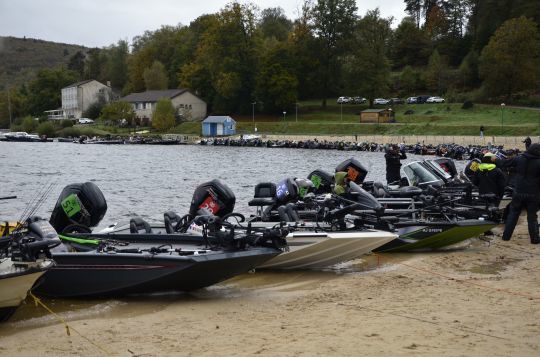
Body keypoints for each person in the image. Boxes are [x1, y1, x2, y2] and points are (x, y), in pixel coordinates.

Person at [493, 143, 540, 244]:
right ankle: (535, 239)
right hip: (533, 194)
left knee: (513, 215)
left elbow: (504, 163)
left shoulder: (519, 158)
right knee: (532, 217)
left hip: (518, 192)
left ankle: (506, 237)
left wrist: (495, 160)